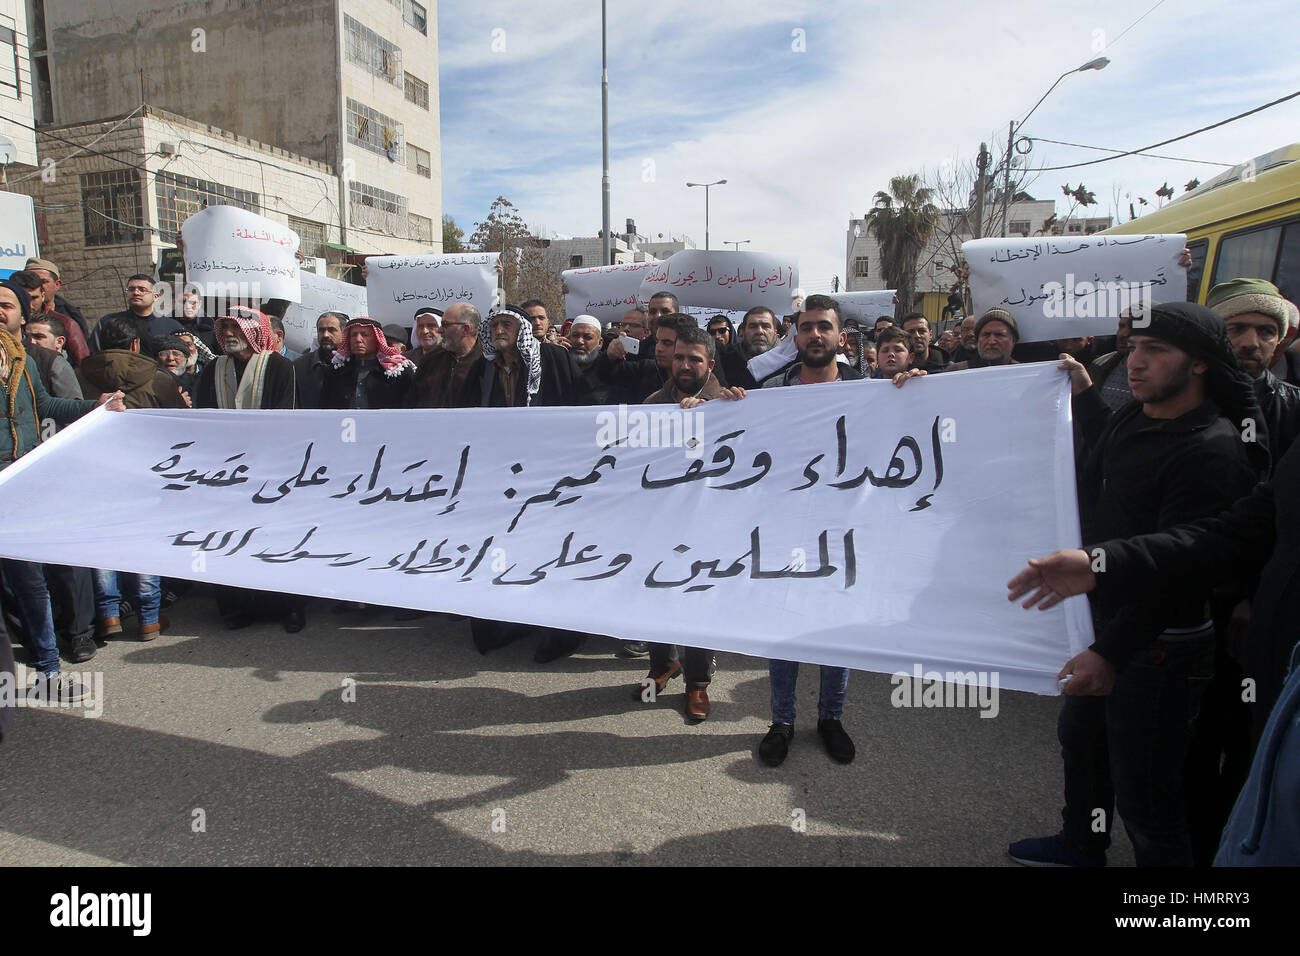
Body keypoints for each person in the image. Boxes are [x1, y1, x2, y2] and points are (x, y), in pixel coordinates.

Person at [1005, 302, 1264, 868]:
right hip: (1101, 627)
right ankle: (1081, 844)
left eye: (1155, 351)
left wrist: (1111, 652)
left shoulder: (1213, 450)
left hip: (1159, 645)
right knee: (1084, 747)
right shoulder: (1135, 414)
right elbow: (1105, 461)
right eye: (1134, 348)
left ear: (1199, 364)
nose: (1137, 362)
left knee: (1148, 797)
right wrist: (1083, 393)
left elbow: (1184, 570)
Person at [0, 279, 125, 700]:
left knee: (31, 582)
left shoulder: (25, 360)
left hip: (22, 482)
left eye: (6, 305)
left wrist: (97, 405)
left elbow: (46, 406)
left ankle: (49, 672)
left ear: (21, 314)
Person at [749, 295, 859, 763]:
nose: (816, 335)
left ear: (840, 337)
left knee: (838, 625)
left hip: (847, 526)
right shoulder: (771, 391)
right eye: (807, 327)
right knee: (785, 624)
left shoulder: (869, 388)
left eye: (824, 328)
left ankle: (830, 717)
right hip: (785, 525)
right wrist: (711, 406)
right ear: (794, 338)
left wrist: (912, 388)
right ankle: (783, 721)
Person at [638, 324, 727, 721]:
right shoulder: (652, 404)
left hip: (708, 522)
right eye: (679, 357)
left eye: (695, 359)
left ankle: (697, 684)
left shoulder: (731, 402)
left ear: (709, 362)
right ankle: (661, 666)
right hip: (661, 519)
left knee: (698, 602)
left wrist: (712, 414)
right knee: (655, 595)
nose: (686, 364)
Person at [1209, 278, 1300, 464]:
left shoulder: (1293, 408)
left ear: (1279, 341)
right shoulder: (1173, 399)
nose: (1251, 343)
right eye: (1236, 329)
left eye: (1266, 331)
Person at [458, 305, 582, 408]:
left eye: (506, 325)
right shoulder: (483, 365)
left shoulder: (554, 356)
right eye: (494, 326)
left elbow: (579, 397)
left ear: (522, 330)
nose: (499, 331)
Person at [196, 307, 297, 411]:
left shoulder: (279, 366)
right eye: (225, 327)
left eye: (236, 327)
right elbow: (203, 409)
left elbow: (284, 412)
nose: (228, 333)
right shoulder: (215, 367)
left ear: (254, 331)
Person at [319, 317, 416, 410]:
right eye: (353, 335)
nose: (358, 339)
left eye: (365, 335)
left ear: (377, 339)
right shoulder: (335, 371)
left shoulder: (398, 371)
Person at [409, 302, 482, 409]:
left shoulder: (486, 363)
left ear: (466, 329)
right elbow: (412, 401)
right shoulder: (431, 360)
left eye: (446, 325)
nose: (440, 330)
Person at [93, 274, 182, 349]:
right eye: (131, 289)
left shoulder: (171, 326)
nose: (136, 293)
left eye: (142, 290)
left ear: (155, 296)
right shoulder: (109, 322)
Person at [292, 311, 345, 409]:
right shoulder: (299, 366)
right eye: (321, 330)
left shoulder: (353, 364)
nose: (325, 335)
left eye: (331, 330)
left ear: (343, 333)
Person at [943, 309, 1019, 371]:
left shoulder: (1025, 373)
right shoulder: (955, 372)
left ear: (1013, 340)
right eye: (986, 335)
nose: (991, 341)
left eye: (999, 335)